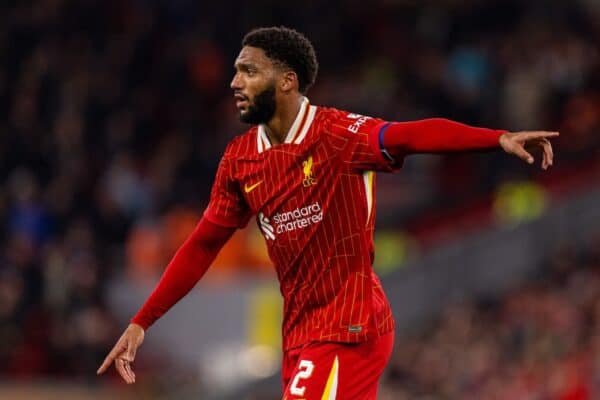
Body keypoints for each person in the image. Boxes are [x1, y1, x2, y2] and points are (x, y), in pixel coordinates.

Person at [97, 26, 558, 398]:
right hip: (299, 336)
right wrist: (142, 321)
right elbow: (201, 246)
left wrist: (495, 137)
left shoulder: (337, 135)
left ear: (286, 81)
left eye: (248, 71)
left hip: (349, 326)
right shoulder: (239, 160)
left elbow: (410, 136)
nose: (234, 82)